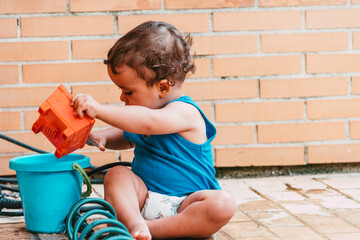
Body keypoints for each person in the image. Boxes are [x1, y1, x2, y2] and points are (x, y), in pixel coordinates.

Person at [71, 21, 236, 240]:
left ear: (163, 87)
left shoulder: (184, 112)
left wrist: (99, 110)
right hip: (145, 196)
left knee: (222, 204)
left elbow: (148, 123)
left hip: (186, 205)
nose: (122, 98)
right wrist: (101, 136)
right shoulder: (143, 115)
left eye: (127, 91)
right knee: (117, 175)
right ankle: (134, 222)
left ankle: (148, 229)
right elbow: (126, 134)